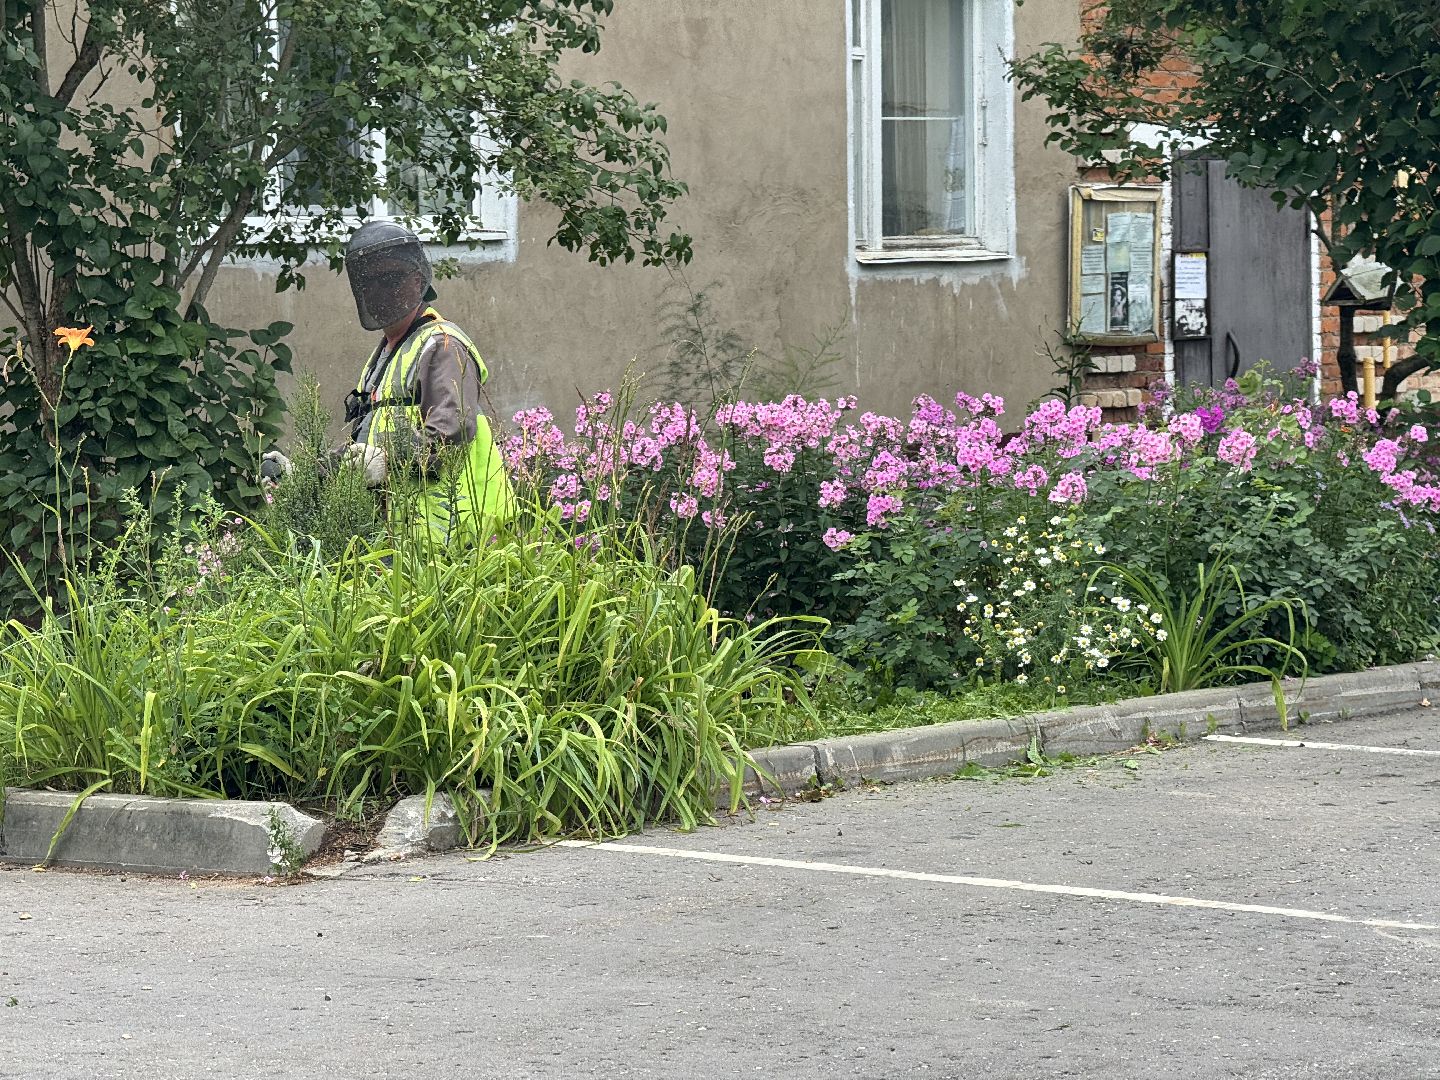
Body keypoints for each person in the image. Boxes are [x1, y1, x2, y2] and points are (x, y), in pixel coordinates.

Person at [263, 220, 514, 541]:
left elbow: (453, 430)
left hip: (456, 538)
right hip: (401, 540)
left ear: (418, 280)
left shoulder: (442, 344)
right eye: (371, 282)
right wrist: (304, 476)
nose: (380, 290)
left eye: (392, 278)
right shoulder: (383, 358)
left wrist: (388, 463)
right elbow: (364, 452)